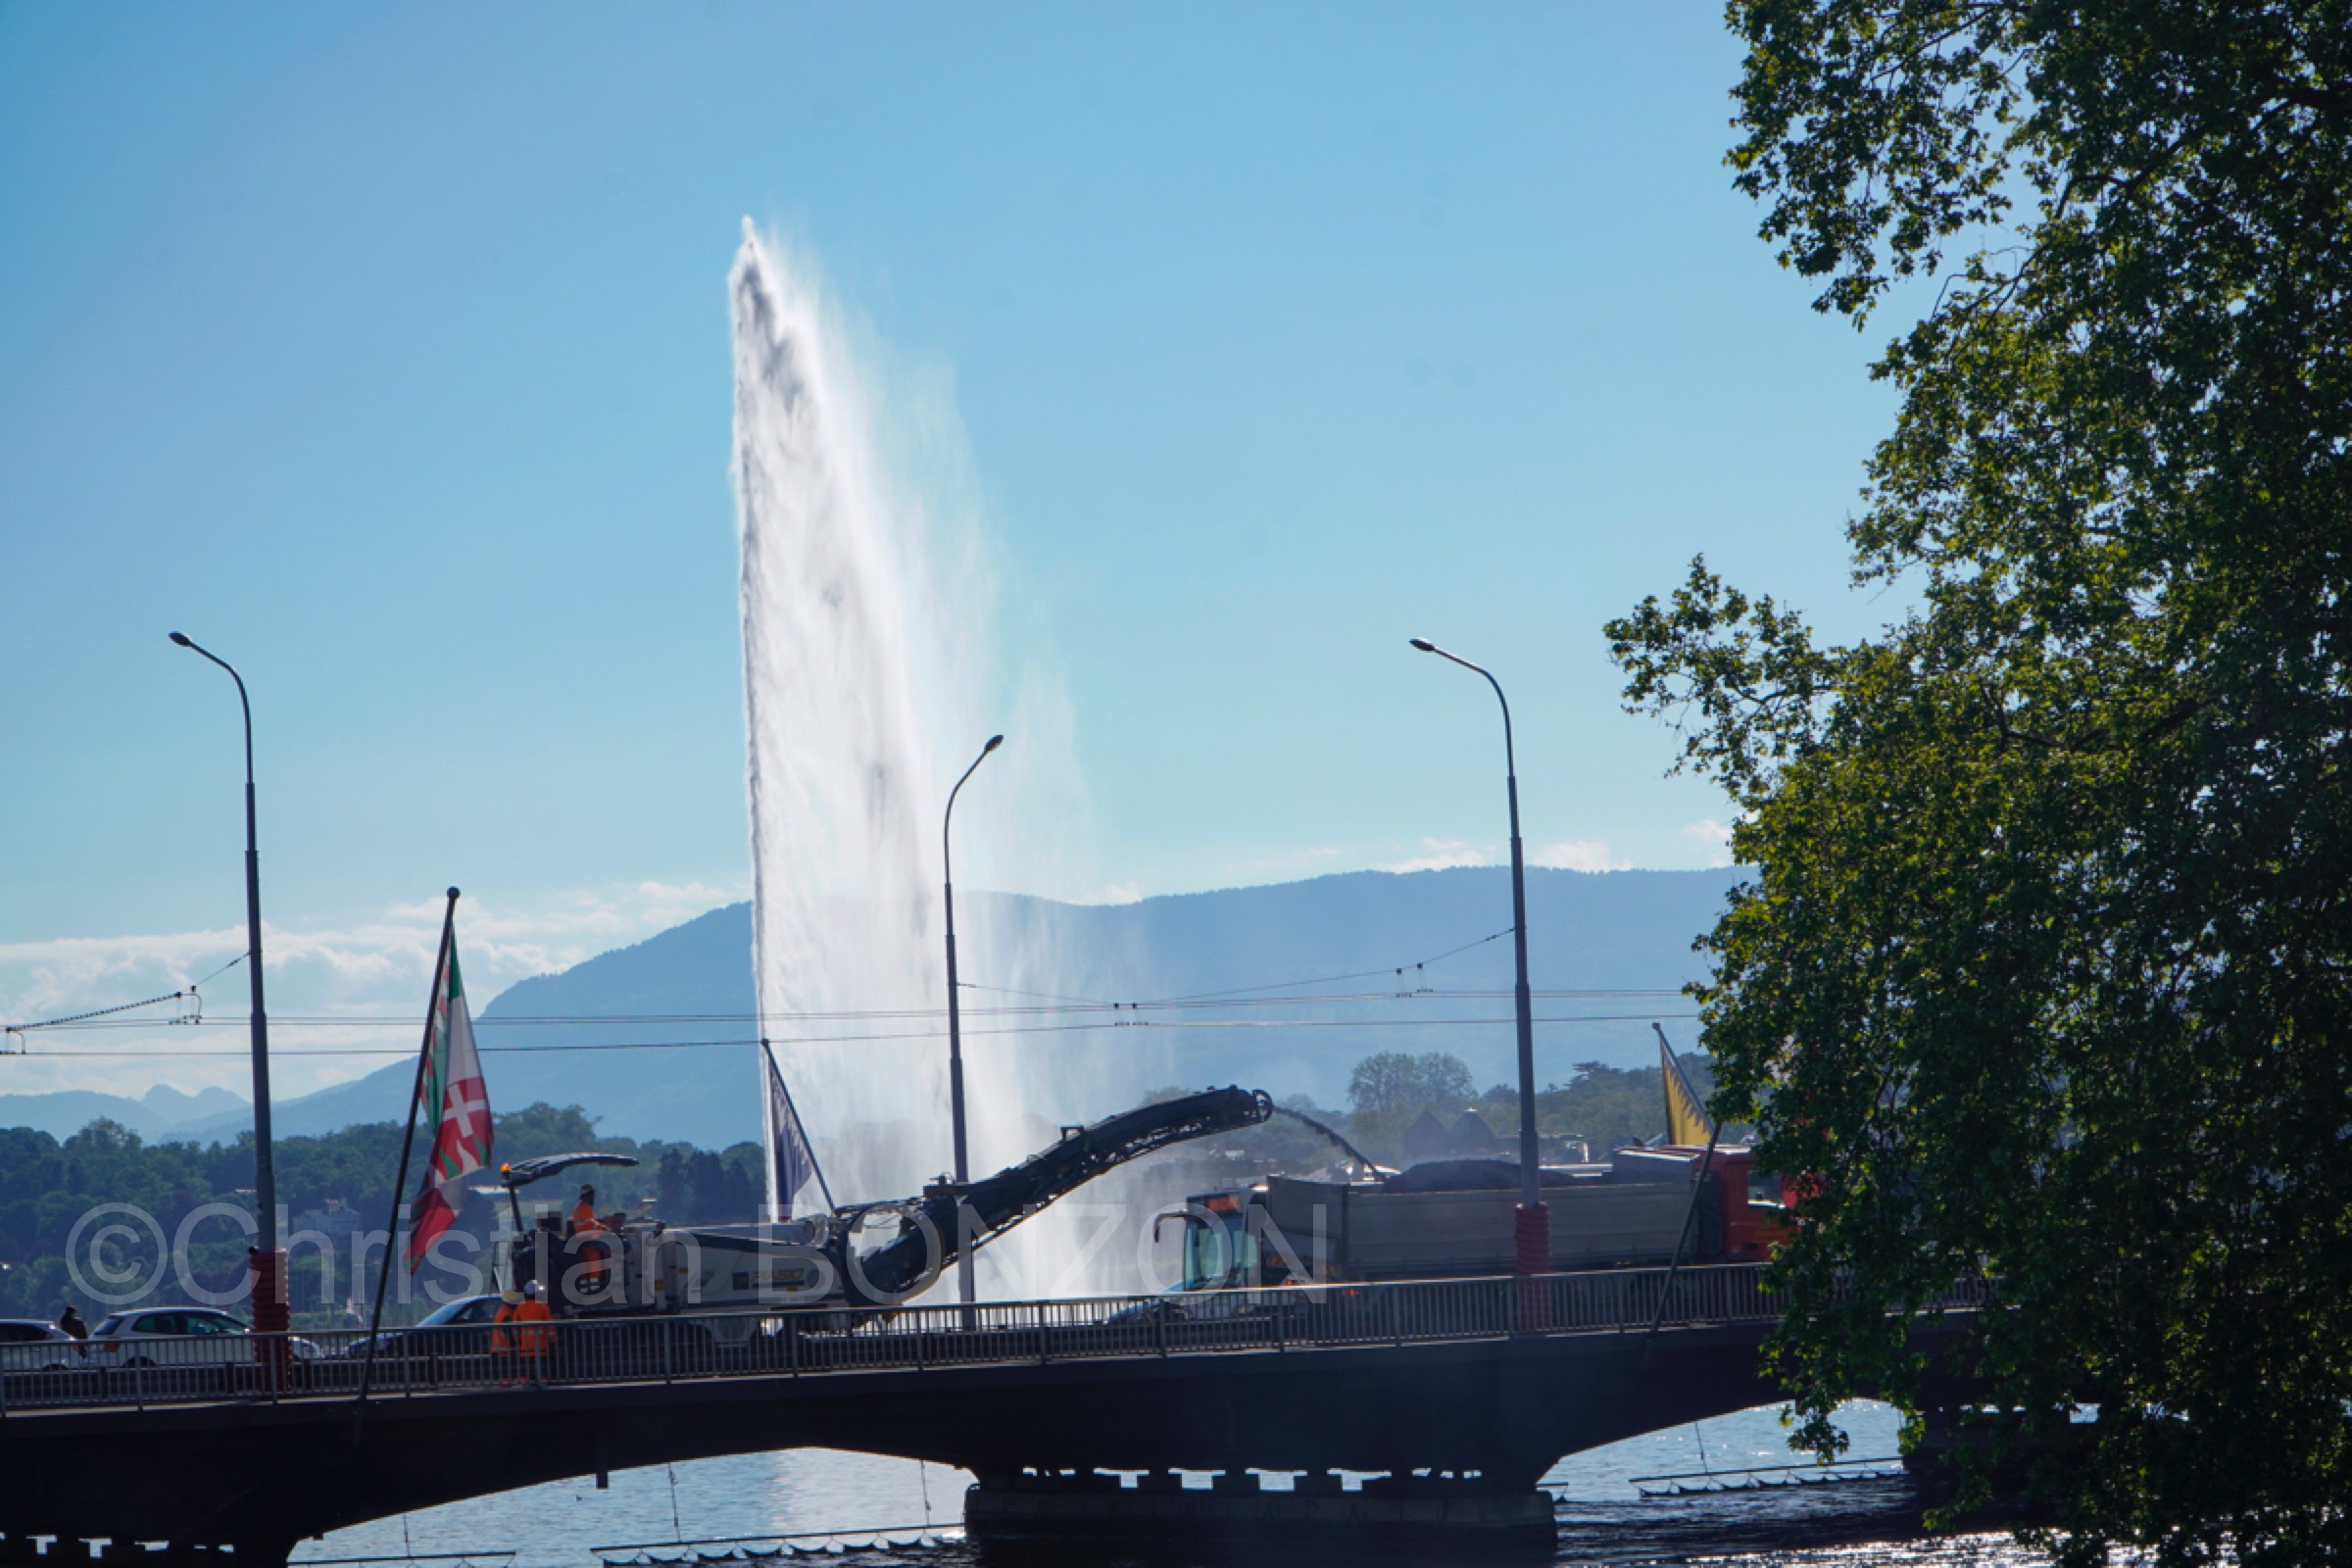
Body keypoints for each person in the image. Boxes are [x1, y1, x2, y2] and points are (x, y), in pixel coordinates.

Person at [512, 1279, 555, 1383]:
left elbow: (514, 1327)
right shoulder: (543, 1307)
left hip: (525, 1348)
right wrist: (553, 1342)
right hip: (541, 1347)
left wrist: (517, 1340)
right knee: (542, 1372)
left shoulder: (519, 1307)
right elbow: (550, 1328)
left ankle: (524, 1388)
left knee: (525, 1373)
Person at [489, 1289, 522, 1386]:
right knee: (506, 1374)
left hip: (499, 1349)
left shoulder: (502, 1310)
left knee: (505, 1375)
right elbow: (508, 1333)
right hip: (504, 1351)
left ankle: (505, 1386)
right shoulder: (507, 1315)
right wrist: (516, 1345)